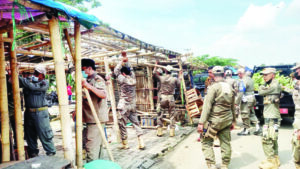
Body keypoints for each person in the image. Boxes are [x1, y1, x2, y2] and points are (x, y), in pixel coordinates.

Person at [197, 66, 235, 169]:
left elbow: (207, 106)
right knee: (226, 143)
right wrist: (233, 121)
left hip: (214, 121)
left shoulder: (214, 87)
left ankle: (212, 165)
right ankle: (225, 165)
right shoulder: (230, 87)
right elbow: (233, 106)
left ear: (213, 75)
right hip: (227, 120)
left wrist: (201, 123)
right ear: (223, 74)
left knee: (206, 142)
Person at [19, 65, 56, 158]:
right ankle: (33, 154)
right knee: (29, 134)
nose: (34, 75)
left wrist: (20, 77)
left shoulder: (44, 83)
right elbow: (14, 82)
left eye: (37, 73)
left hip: (41, 113)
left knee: (45, 133)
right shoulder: (28, 81)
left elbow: (32, 87)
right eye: (34, 72)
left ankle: (51, 154)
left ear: (42, 75)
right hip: (28, 112)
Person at [114, 52, 145, 150]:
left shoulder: (122, 78)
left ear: (123, 73)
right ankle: (141, 142)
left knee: (122, 124)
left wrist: (121, 61)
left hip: (124, 104)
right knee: (136, 123)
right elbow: (131, 70)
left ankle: (125, 143)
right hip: (132, 104)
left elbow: (116, 71)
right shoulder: (133, 78)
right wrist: (127, 62)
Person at [81, 58, 108, 162]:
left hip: (96, 119)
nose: (82, 72)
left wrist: (89, 87)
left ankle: (91, 166)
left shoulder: (97, 79)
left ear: (89, 68)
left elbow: (103, 94)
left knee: (91, 147)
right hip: (90, 117)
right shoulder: (87, 79)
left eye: (83, 69)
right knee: (97, 147)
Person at [258, 67, 281, 169]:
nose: (264, 77)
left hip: (272, 116)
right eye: (263, 75)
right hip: (271, 115)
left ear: (273, 75)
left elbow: (260, 92)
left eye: (266, 75)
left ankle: (271, 161)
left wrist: (262, 85)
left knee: (266, 138)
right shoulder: (272, 84)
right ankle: (274, 159)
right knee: (273, 138)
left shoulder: (274, 85)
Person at [153, 62, 182, 137]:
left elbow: (154, 73)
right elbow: (179, 84)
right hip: (171, 98)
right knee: (172, 115)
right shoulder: (174, 79)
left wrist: (156, 65)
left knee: (160, 114)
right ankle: (172, 133)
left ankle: (160, 132)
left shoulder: (161, 78)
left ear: (165, 71)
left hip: (163, 97)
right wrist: (180, 75)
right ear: (171, 71)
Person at [236, 68, 259, 135]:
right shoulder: (250, 79)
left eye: (238, 74)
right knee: (252, 113)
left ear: (240, 73)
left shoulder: (243, 81)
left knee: (244, 114)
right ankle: (257, 127)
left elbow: (241, 92)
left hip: (246, 100)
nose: (238, 75)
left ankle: (246, 130)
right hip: (252, 98)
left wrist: (236, 103)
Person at [286, 63, 300, 169]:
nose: (297, 71)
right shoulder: (297, 84)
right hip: (297, 116)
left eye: (298, 69)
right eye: (296, 70)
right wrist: (286, 89)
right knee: (296, 141)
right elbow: (295, 93)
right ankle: (296, 162)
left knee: (297, 140)